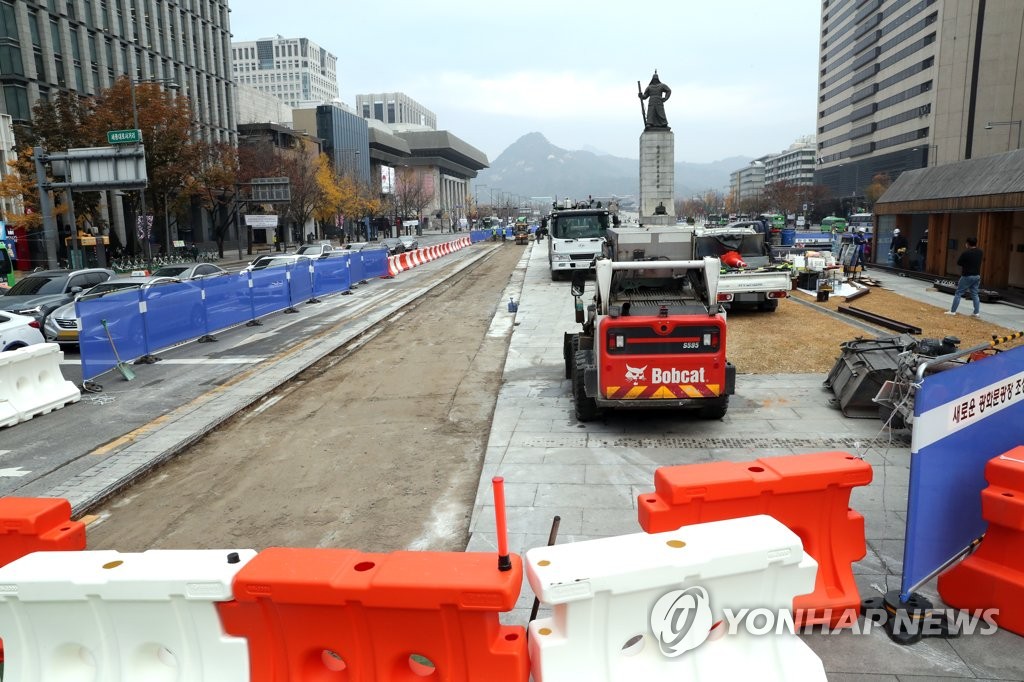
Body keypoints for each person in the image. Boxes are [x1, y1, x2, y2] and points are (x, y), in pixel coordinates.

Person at [946, 237, 983, 317]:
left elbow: (959, 263)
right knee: (975, 294)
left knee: (958, 293)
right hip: (977, 276)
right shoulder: (980, 252)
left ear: (968, 243)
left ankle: (953, 311)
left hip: (967, 275)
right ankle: (976, 313)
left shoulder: (966, 253)